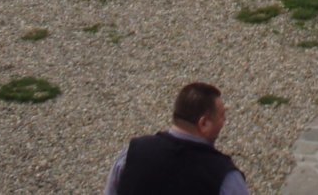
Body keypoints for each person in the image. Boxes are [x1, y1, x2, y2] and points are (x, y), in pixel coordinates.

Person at [104, 82, 248, 195]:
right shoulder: (224, 177)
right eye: (222, 115)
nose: (224, 121)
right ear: (204, 123)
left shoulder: (132, 154)